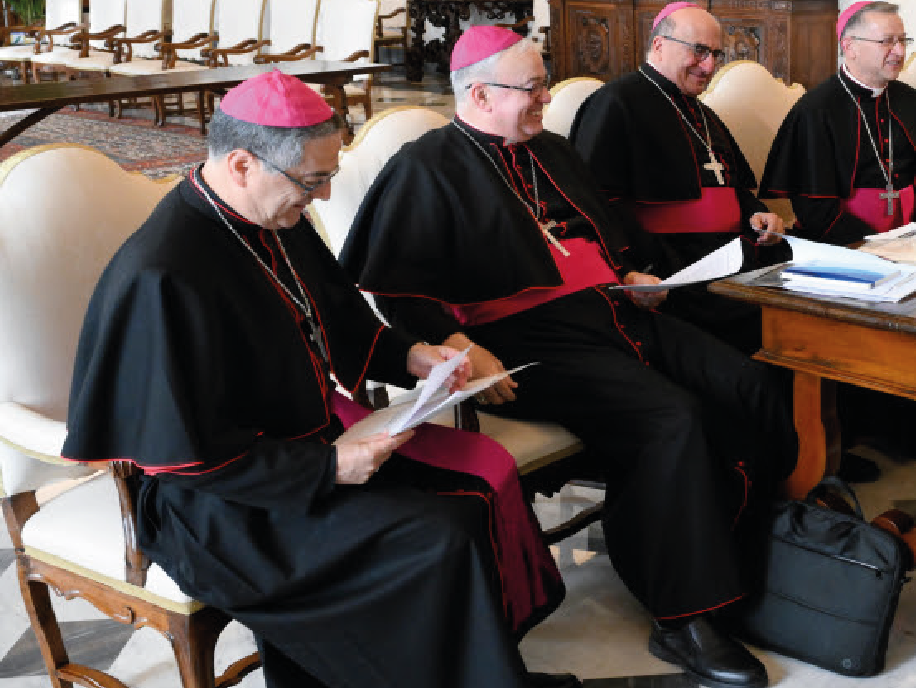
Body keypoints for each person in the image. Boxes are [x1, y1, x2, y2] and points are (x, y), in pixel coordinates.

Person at [61, 70, 574, 688]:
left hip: (304, 449)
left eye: (329, 174)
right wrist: (328, 470)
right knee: (433, 537)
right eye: (312, 179)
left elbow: (341, 321)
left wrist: (414, 356)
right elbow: (186, 453)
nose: (326, 195)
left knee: (466, 507)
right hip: (217, 505)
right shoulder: (162, 275)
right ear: (244, 165)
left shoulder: (274, 218)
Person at [339, 25, 792, 688]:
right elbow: (396, 288)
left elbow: (603, 234)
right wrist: (461, 343)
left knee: (749, 383)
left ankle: (748, 558)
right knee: (670, 419)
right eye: (533, 88)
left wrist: (633, 271)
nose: (546, 99)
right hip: (524, 340)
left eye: (543, 84)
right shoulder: (426, 166)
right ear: (482, 93)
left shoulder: (549, 148)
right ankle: (683, 614)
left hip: (612, 311)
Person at [569, 2, 786, 354]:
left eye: (716, 53)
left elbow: (732, 186)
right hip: (674, 271)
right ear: (659, 44)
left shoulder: (702, 112)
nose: (710, 65)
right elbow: (599, 205)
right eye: (699, 51)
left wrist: (758, 214)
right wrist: (653, 262)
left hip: (732, 257)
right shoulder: (614, 103)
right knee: (771, 327)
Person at [760, 0, 916, 245]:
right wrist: (873, 245)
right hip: (845, 245)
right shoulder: (816, 110)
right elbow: (815, 210)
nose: (900, 51)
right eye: (887, 42)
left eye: (903, 41)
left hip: (913, 240)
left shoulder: (911, 101)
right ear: (850, 46)